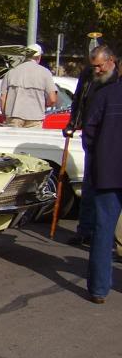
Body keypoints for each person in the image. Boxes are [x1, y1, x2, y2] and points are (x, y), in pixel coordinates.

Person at [63, 44, 119, 246]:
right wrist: (72, 122)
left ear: (111, 61)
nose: (97, 70)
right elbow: (79, 99)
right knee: (89, 185)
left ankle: (108, 235)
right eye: (94, 66)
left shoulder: (116, 79)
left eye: (100, 66)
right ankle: (85, 229)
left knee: (109, 191)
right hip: (92, 137)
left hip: (112, 141)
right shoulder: (88, 75)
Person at [81, 76, 122, 303]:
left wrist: (99, 160)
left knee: (103, 230)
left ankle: (98, 288)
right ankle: (98, 287)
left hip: (108, 172)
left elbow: (89, 134)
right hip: (107, 171)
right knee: (103, 230)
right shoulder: (105, 95)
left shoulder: (105, 95)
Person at [0, 44, 57, 127]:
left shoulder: (11, 71)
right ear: (39, 57)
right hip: (35, 117)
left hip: (13, 116)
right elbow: (53, 99)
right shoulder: (45, 72)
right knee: (31, 140)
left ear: (25, 55)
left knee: (13, 140)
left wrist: (4, 114)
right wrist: (44, 105)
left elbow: (2, 97)